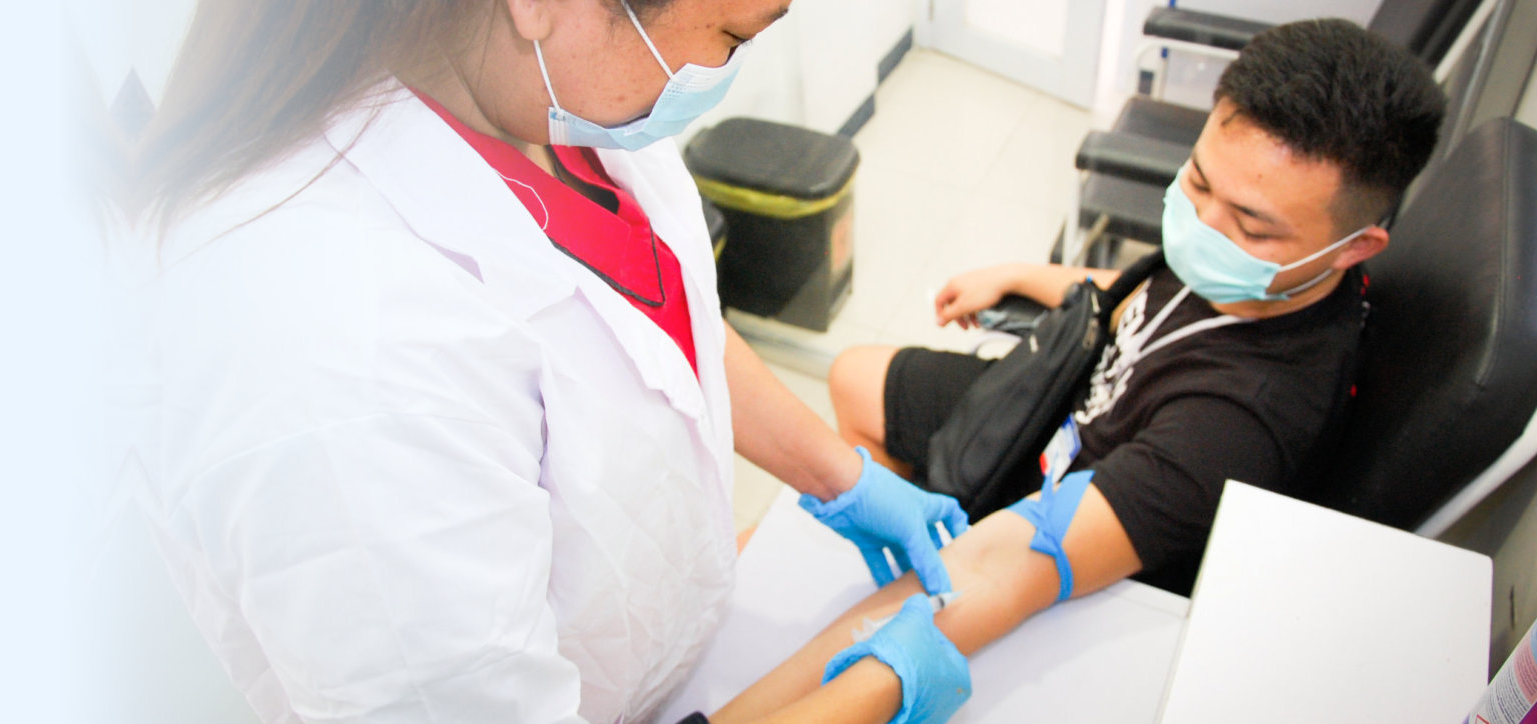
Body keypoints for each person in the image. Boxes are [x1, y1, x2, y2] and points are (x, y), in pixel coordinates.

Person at [108, 1, 970, 722]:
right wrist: (870, 689)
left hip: (661, 664)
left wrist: (840, 474)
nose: (718, 77)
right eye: (732, 39)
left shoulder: (548, 93)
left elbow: (652, 319)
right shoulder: (335, 362)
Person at [705, 19, 1446, 721]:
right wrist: (1024, 273)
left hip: (1080, 495)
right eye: (1195, 183)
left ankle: (855, 575)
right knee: (855, 377)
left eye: (1249, 224)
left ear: (1354, 248)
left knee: (895, 600)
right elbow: (1145, 306)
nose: (1202, 228)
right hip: (1076, 402)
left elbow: (1002, 572)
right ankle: (881, 534)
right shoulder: (1249, 270)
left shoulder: (1240, 423)